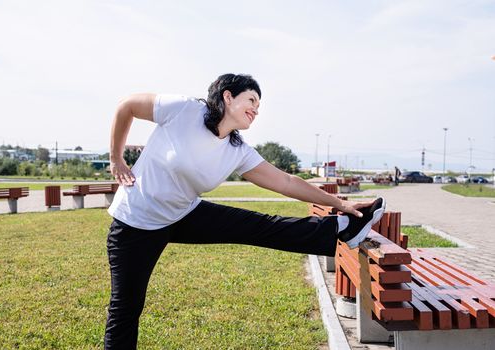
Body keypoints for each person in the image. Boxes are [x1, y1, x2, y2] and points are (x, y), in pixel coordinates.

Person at [105, 73, 386, 349]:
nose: (256, 109)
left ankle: (340, 228)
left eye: (259, 106)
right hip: (135, 223)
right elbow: (127, 105)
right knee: (126, 308)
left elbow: (286, 182)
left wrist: (340, 204)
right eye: (251, 100)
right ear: (228, 96)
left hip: (182, 214)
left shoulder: (236, 149)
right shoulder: (184, 109)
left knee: (259, 225)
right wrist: (116, 158)